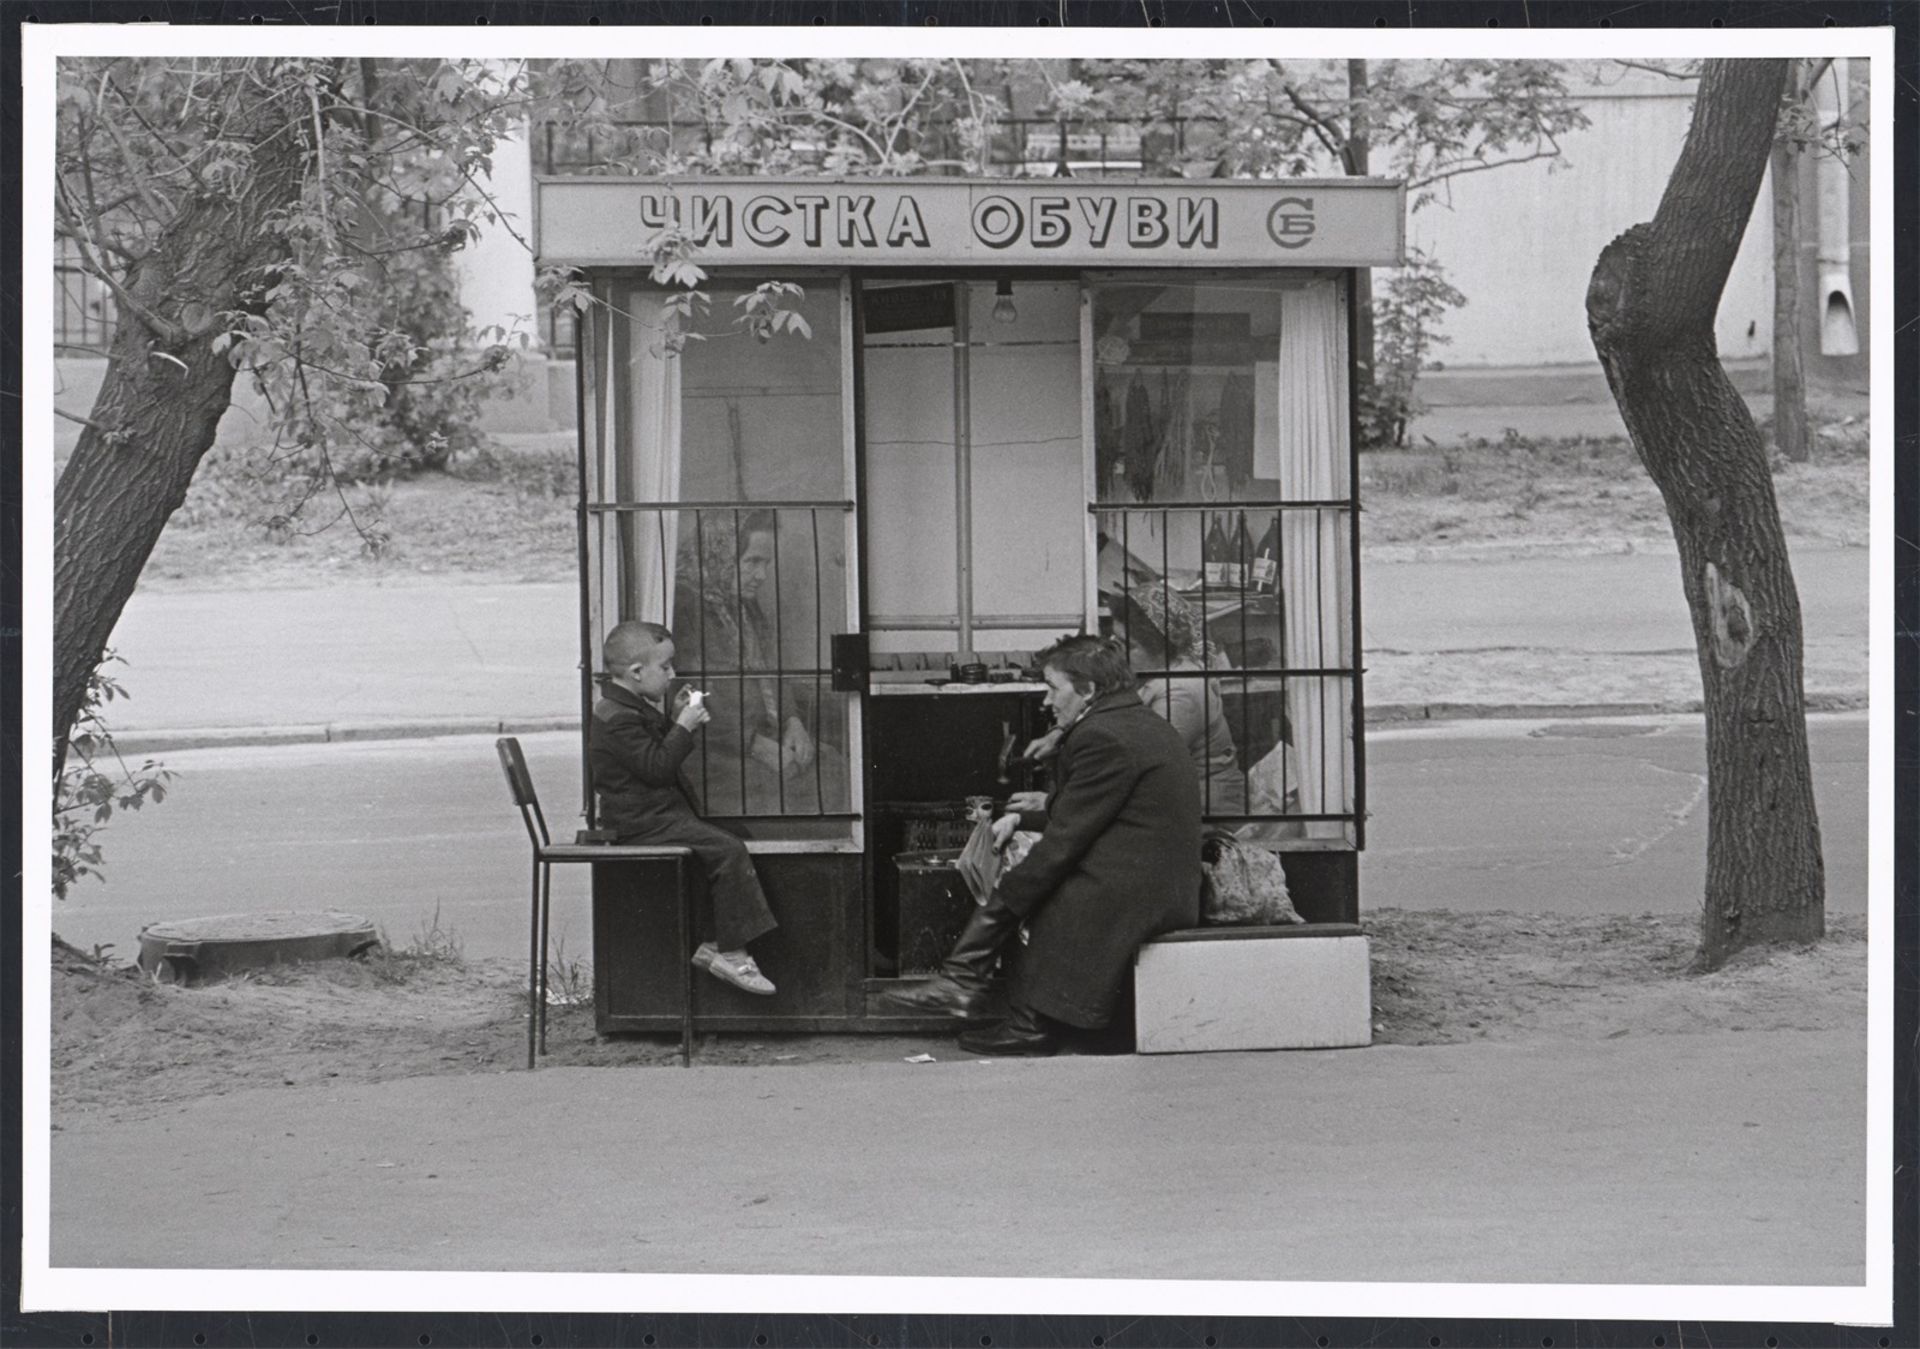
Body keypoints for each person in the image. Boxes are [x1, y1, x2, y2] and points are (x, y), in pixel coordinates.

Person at [883, 635, 1204, 1056]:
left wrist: (1012, 890)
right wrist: (1024, 816)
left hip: (1133, 891)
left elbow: (1065, 840)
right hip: (1155, 881)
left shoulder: (1103, 736)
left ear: (1087, 689)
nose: (1046, 702)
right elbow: (1093, 804)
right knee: (1031, 877)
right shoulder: (1134, 723)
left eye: (1053, 689)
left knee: (1032, 882)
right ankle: (971, 986)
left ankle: (1011, 1014)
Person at [590, 619, 778, 995]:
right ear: (637, 672)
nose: (672, 674)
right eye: (665, 668)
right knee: (728, 849)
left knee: (732, 838)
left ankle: (715, 941)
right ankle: (731, 953)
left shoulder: (626, 707)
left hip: (655, 816)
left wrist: (673, 718)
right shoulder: (615, 717)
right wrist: (684, 726)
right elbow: (657, 768)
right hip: (643, 824)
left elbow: (648, 750)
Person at [673, 510, 847, 816]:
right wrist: (754, 745)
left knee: (833, 766)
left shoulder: (743, 606)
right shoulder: (685, 608)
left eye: (766, 563)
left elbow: (771, 671)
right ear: (721, 556)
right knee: (814, 782)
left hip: (759, 741)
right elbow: (686, 696)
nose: (762, 576)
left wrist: (793, 722)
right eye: (752, 562)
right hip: (710, 752)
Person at [1121, 587, 1248, 817]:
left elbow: (1148, 763)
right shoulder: (1157, 674)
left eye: (1129, 646)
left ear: (1159, 648)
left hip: (1208, 807)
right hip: (1179, 797)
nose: (1119, 653)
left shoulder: (1180, 689)